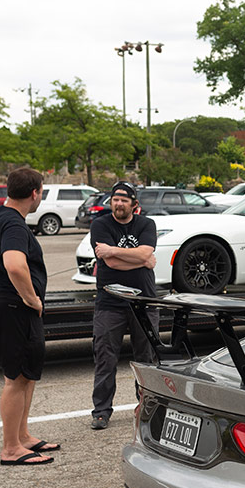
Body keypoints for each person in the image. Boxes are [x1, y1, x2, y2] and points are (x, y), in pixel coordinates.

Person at [0, 168, 59, 465]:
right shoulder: (13, 224)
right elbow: (14, 265)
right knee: (15, 378)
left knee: (26, 374)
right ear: (35, 192)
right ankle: (11, 448)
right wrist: (32, 299)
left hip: (5, 305)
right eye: (42, 190)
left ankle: (23, 436)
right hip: (14, 307)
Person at [89, 181, 159, 430]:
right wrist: (141, 259)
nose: (118, 203)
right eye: (115, 199)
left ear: (134, 205)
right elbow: (112, 264)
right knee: (105, 358)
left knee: (146, 360)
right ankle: (101, 411)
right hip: (110, 303)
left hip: (143, 303)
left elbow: (142, 253)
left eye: (123, 200)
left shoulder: (146, 224)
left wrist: (114, 251)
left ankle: (148, 408)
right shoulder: (100, 225)